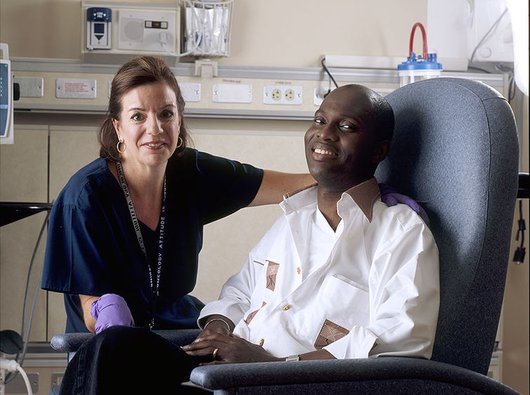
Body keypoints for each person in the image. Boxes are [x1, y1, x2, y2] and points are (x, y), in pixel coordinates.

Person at [54, 81, 438, 394]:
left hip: (288, 383)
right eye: (320, 120)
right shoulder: (293, 219)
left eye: (346, 127)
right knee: (113, 349)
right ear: (117, 126)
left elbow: (395, 345)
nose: (324, 134)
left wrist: (266, 363)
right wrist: (218, 330)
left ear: (380, 150)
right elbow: (239, 292)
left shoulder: (400, 232)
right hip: (223, 371)